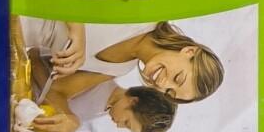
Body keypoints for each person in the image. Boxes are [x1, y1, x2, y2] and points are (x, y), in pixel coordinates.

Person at [34, 75, 176, 132]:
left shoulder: (104, 110)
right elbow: (50, 88)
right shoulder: (100, 80)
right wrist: (71, 121)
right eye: (126, 123)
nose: (119, 126)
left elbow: (58, 115)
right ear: (133, 101)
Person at [95, 21, 225, 102]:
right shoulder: (144, 14)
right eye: (177, 78)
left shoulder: (118, 69)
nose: (161, 84)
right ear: (189, 51)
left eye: (168, 91)